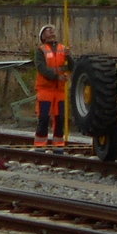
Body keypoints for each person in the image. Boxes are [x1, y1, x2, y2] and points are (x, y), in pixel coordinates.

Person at [33, 23, 74, 151]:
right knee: (43, 117)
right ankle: (40, 146)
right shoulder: (41, 50)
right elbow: (41, 68)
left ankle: (58, 146)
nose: (51, 32)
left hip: (60, 90)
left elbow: (71, 66)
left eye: (52, 30)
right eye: (47, 31)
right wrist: (56, 77)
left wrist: (69, 56)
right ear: (43, 37)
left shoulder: (63, 49)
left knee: (60, 119)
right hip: (45, 90)